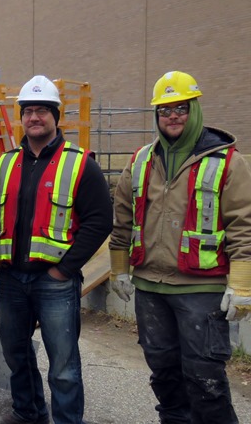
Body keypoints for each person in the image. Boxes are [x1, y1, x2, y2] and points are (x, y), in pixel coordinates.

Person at [109, 70, 251, 423]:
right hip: (150, 288)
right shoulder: (141, 160)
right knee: (165, 377)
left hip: (201, 290)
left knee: (205, 380)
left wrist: (243, 283)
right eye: (164, 110)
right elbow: (122, 218)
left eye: (181, 108)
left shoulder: (227, 162)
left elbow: (243, 225)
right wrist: (118, 269)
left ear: (195, 109)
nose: (172, 116)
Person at [0, 75, 112, 424]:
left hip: (55, 282)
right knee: (16, 354)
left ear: (56, 116)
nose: (34, 118)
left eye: (42, 110)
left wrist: (64, 269)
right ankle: (28, 413)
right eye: (28, 111)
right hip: (11, 279)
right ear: (21, 117)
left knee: (64, 365)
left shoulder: (80, 164)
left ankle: (67, 421)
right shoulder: (3, 164)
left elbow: (100, 222)